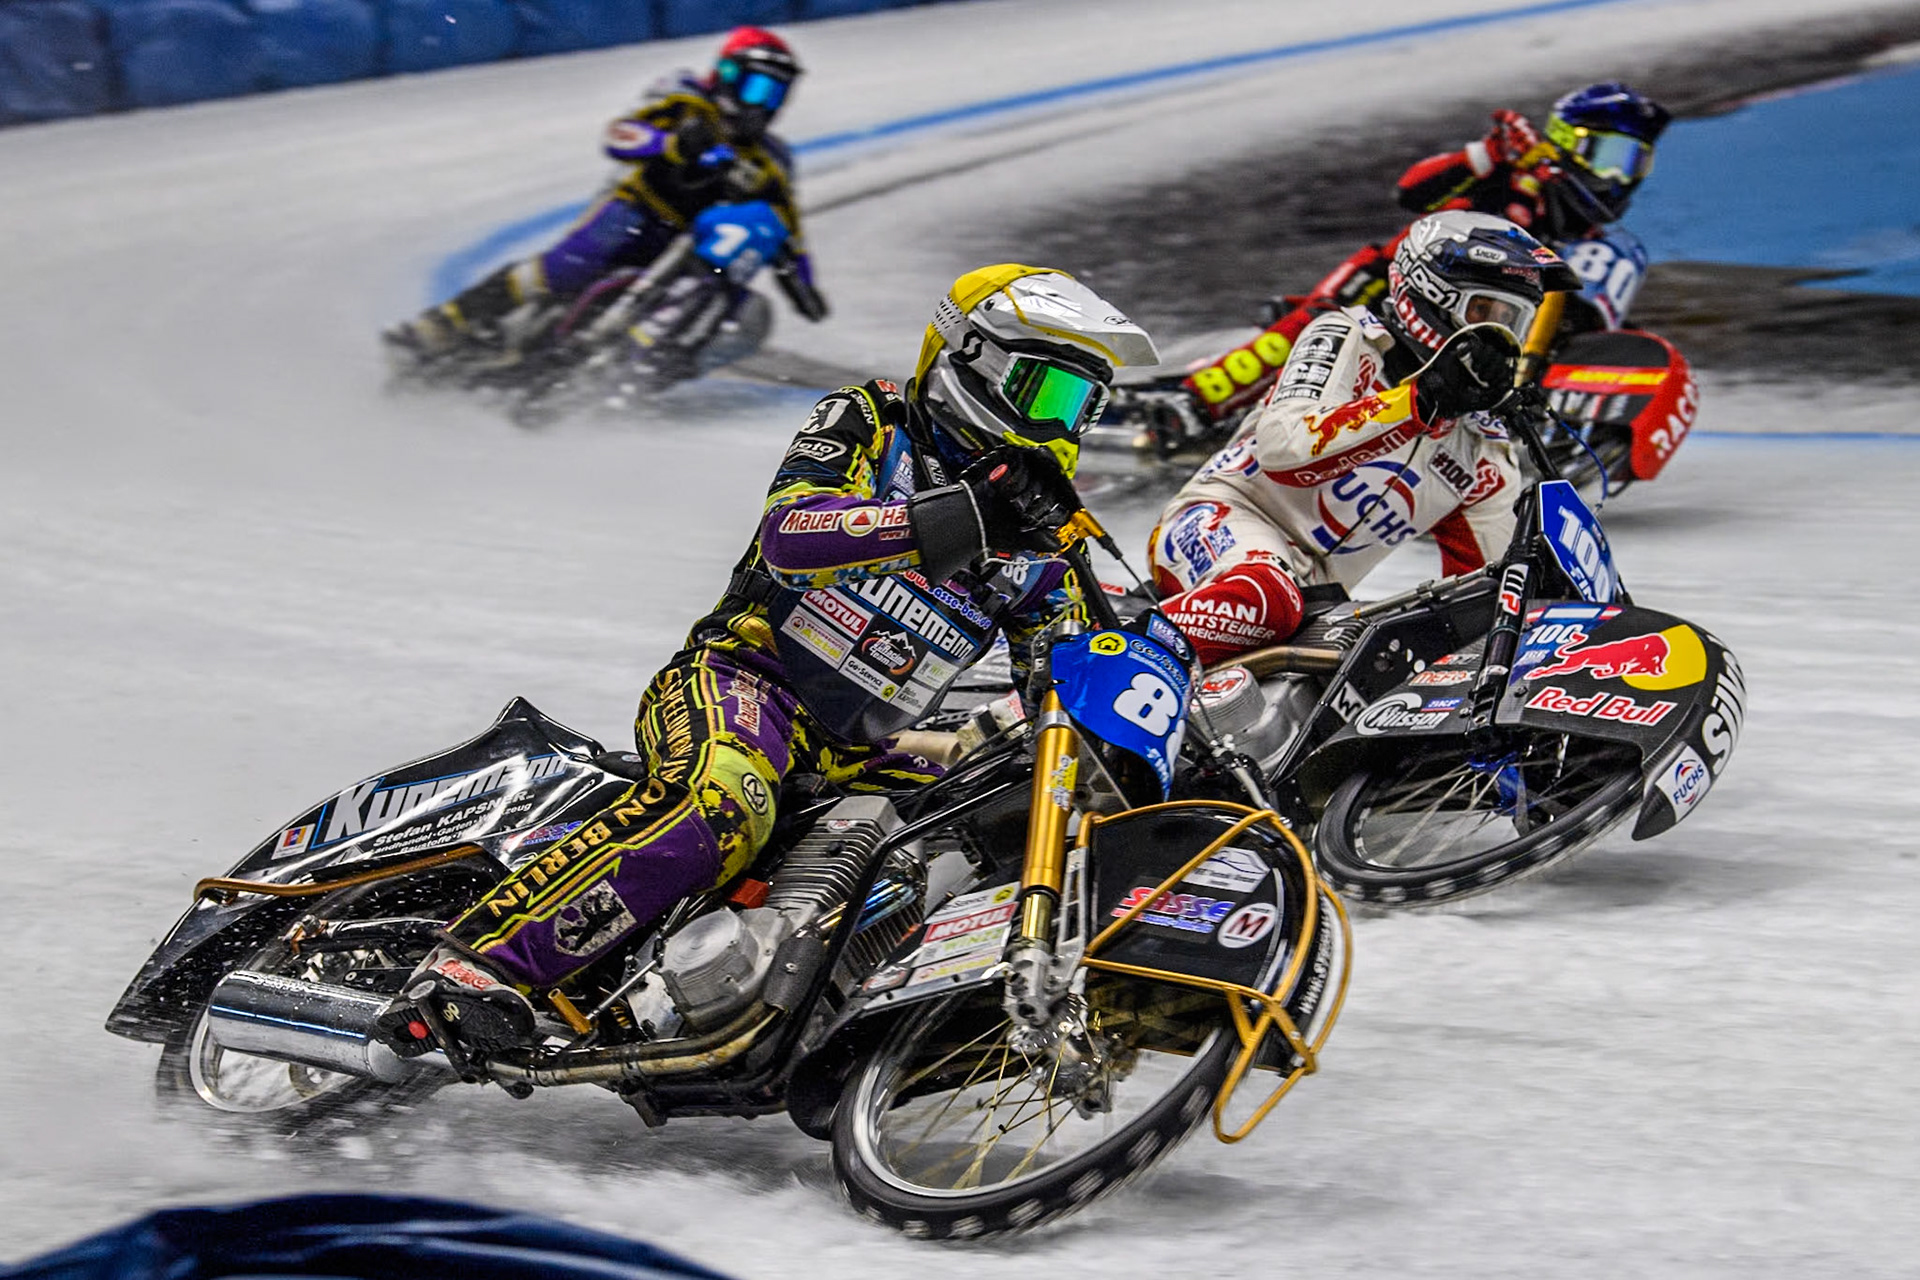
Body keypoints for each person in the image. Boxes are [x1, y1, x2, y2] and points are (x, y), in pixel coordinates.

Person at [376, 265, 1157, 1058]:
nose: (1062, 426)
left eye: (1083, 406)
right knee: (729, 799)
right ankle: (471, 964)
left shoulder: (1040, 540)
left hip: (864, 752)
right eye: (1048, 393)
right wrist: (960, 518)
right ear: (972, 356)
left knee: (969, 836)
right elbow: (794, 534)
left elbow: (1062, 671)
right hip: (744, 680)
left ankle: (848, 1044)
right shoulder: (872, 421)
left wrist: (1150, 653)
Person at [1147, 211, 1578, 666]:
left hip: (1316, 598)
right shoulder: (1349, 337)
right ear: (1431, 293)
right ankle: (1110, 649)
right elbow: (1284, 452)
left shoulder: (1482, 447)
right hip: (1221, 517)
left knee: (1388, 664)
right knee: (1266, 599)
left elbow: (1490, 591)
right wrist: (1420, 401)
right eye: (1484, 313)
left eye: (1514, 322)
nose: (1499, 338)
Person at [1156, 82, 1669, 437]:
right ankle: (1195, 402)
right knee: (1324, 324)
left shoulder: (1598, 241)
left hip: (1464, 321)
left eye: (1636, 165)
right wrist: (1487, 154)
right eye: (1612, 158)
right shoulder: (1515, 175)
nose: (1621, 178)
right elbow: (1411, 190)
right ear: (1568, 142)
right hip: (1393, 282)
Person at [383, 26, 825, 369]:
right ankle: (440, 326)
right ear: (727, 74)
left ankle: (655, 370)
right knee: (563, 268)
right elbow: (622, 135)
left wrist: (800, 280)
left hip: (699, 246)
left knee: (742, 313)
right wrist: (673, 145)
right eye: (757, 88)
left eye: (777, 93)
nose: (764, 105)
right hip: (640, 211)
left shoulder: (772, 159)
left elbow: (788, 220)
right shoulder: (686, 100)